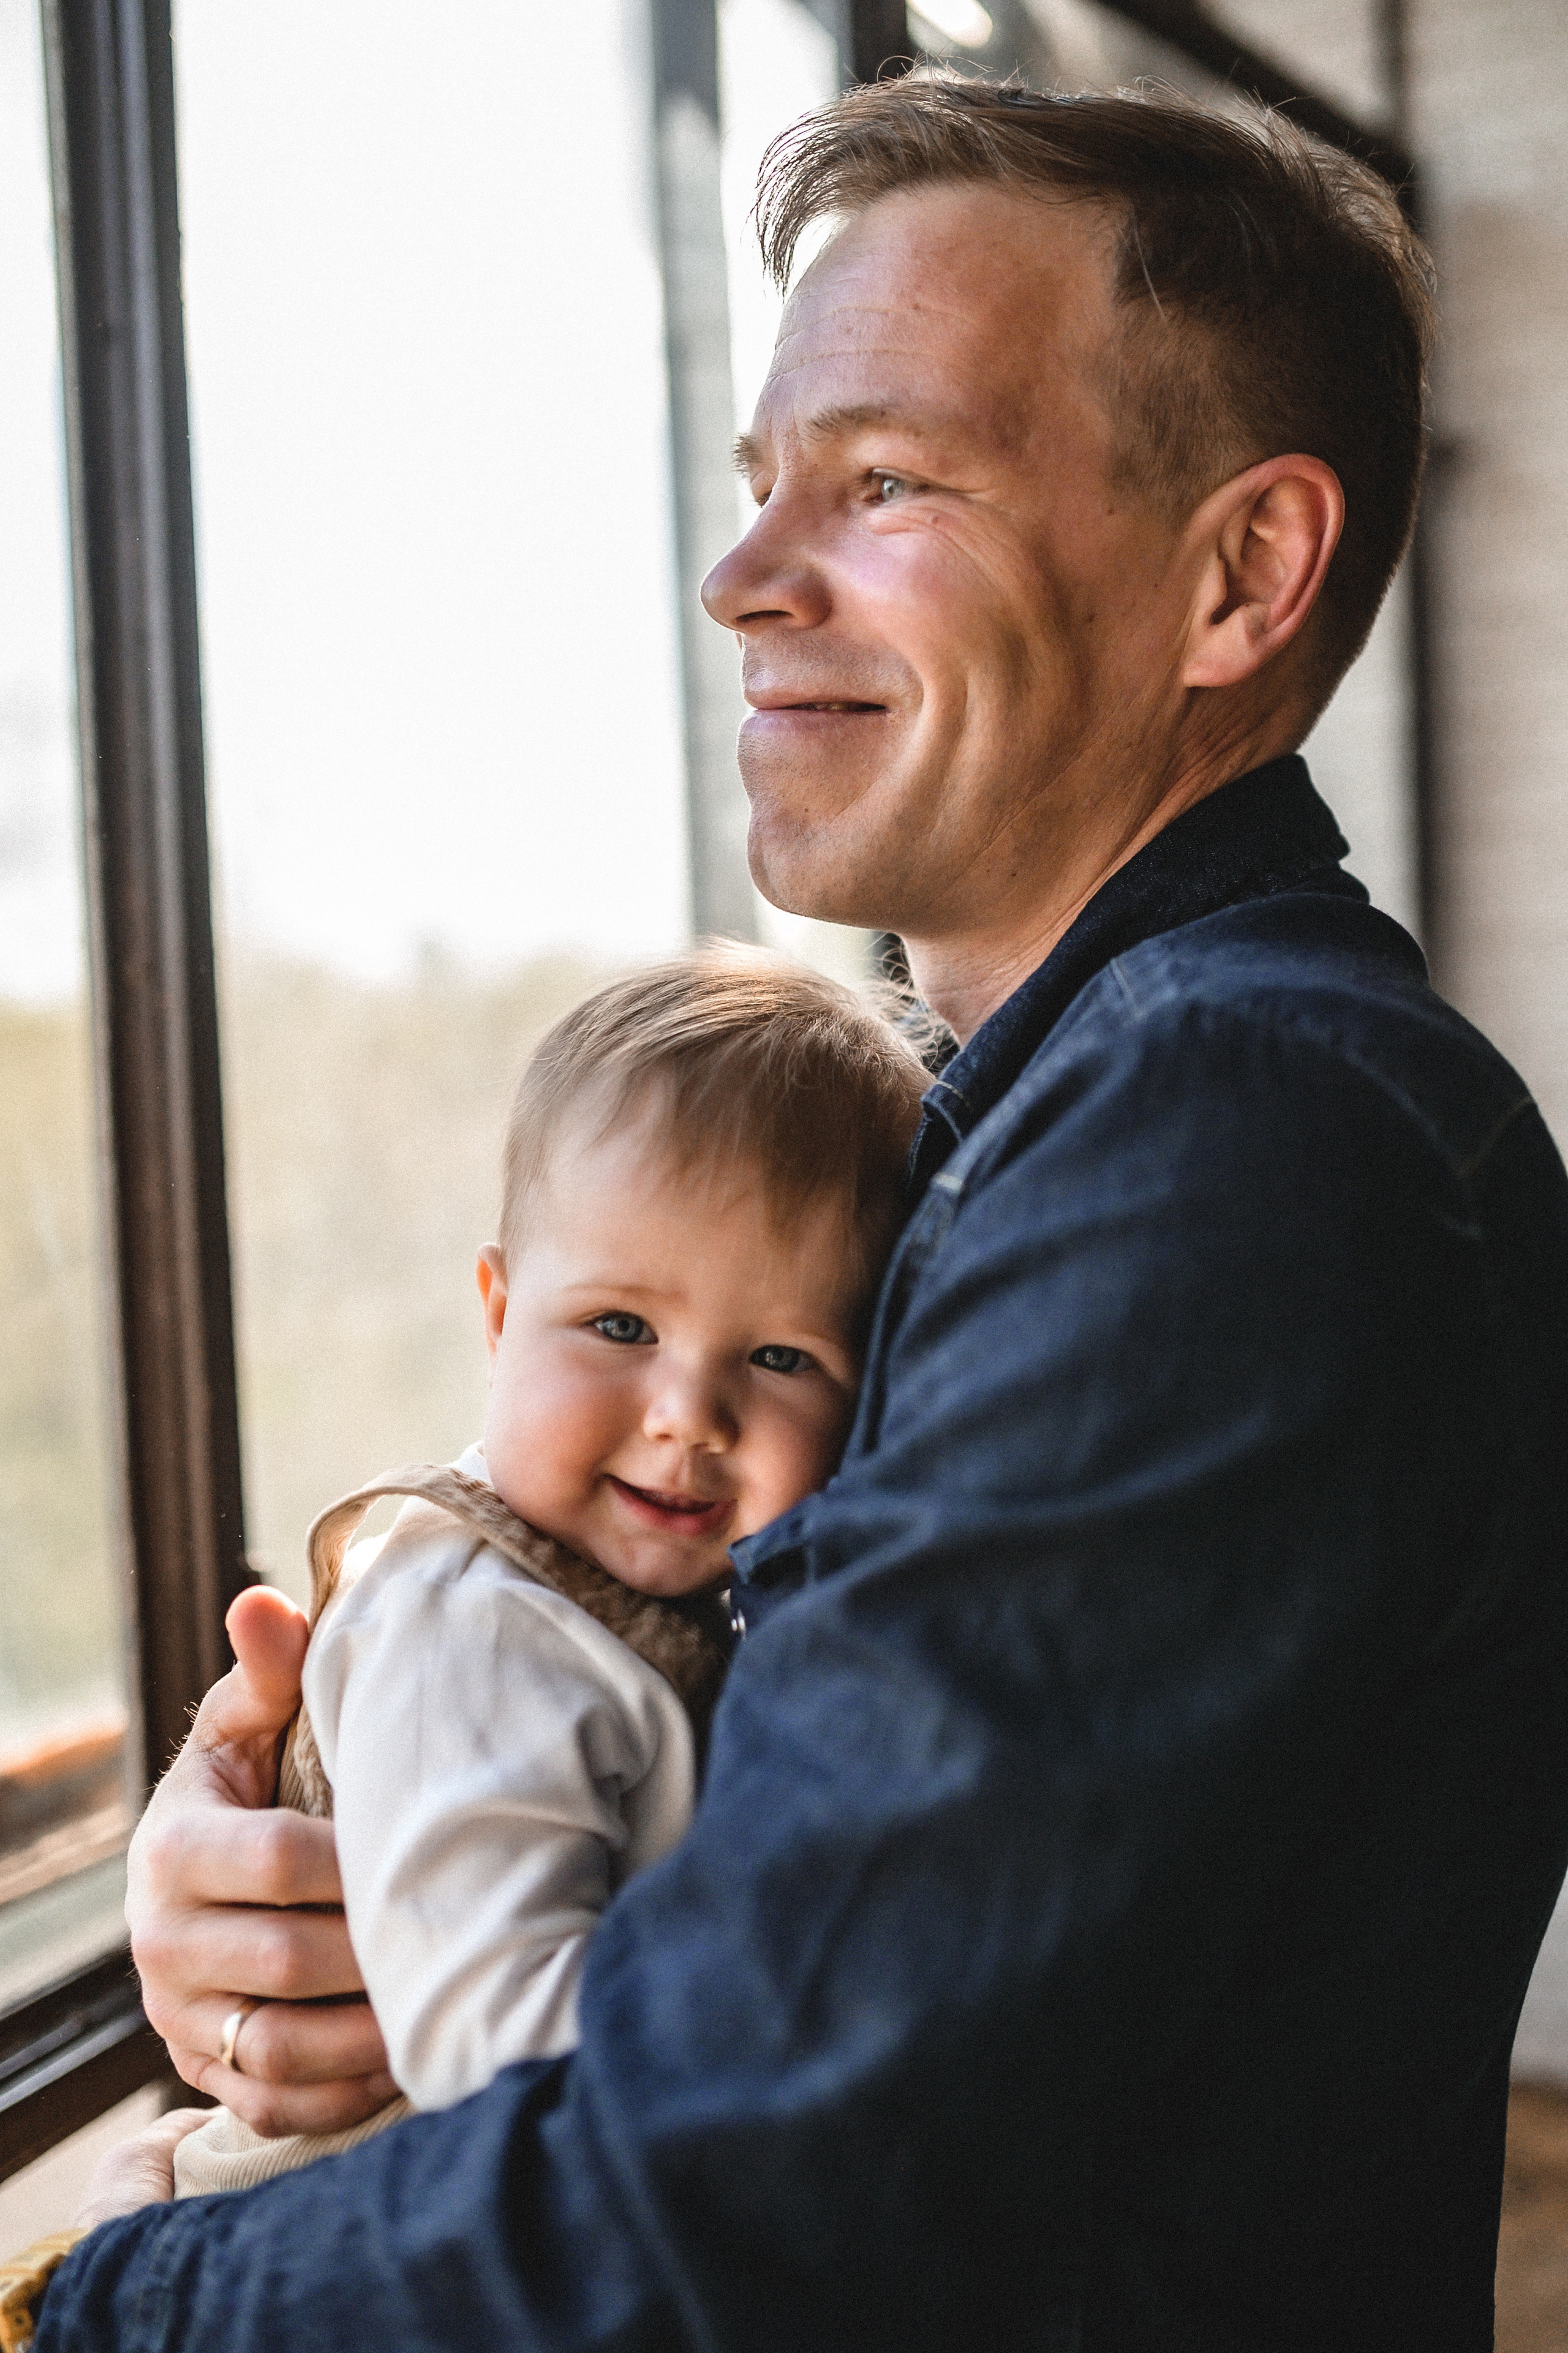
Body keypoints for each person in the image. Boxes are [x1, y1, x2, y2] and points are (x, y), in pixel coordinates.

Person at [29, 75, 1568, 2353]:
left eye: (885, 481)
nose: (745, 577)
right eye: (761, 482)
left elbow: (736, 2193)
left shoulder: (1225, 1140)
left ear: (1241, 575)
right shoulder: (1012, 1136)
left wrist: (109, 2297)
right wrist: (305, 1869)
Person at [148, 950, 925, 2200]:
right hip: (335, 2236)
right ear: (500, 1313)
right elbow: (494, 2053)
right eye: (621, 1327)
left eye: (781, 1356)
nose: (687, 1415)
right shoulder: (476, 1627)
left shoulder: (657, 1600)